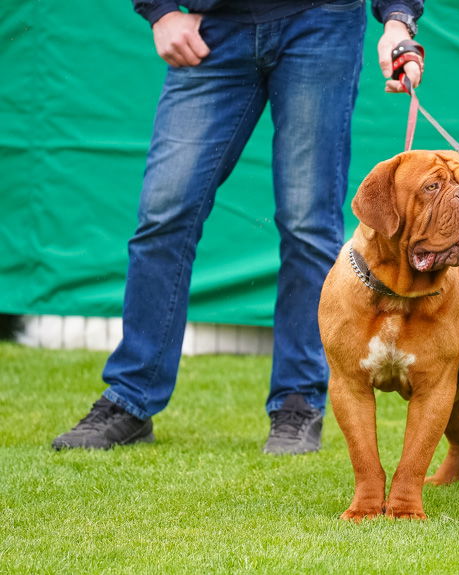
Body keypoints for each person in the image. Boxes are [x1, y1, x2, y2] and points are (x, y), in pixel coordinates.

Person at [52, 0, 424, 455]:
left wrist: (398, 19)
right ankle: (130, 399)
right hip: (214, 26)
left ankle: (297, 402)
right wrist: (162, 11)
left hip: (322, 20)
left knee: (308, 225)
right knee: (163, 215)